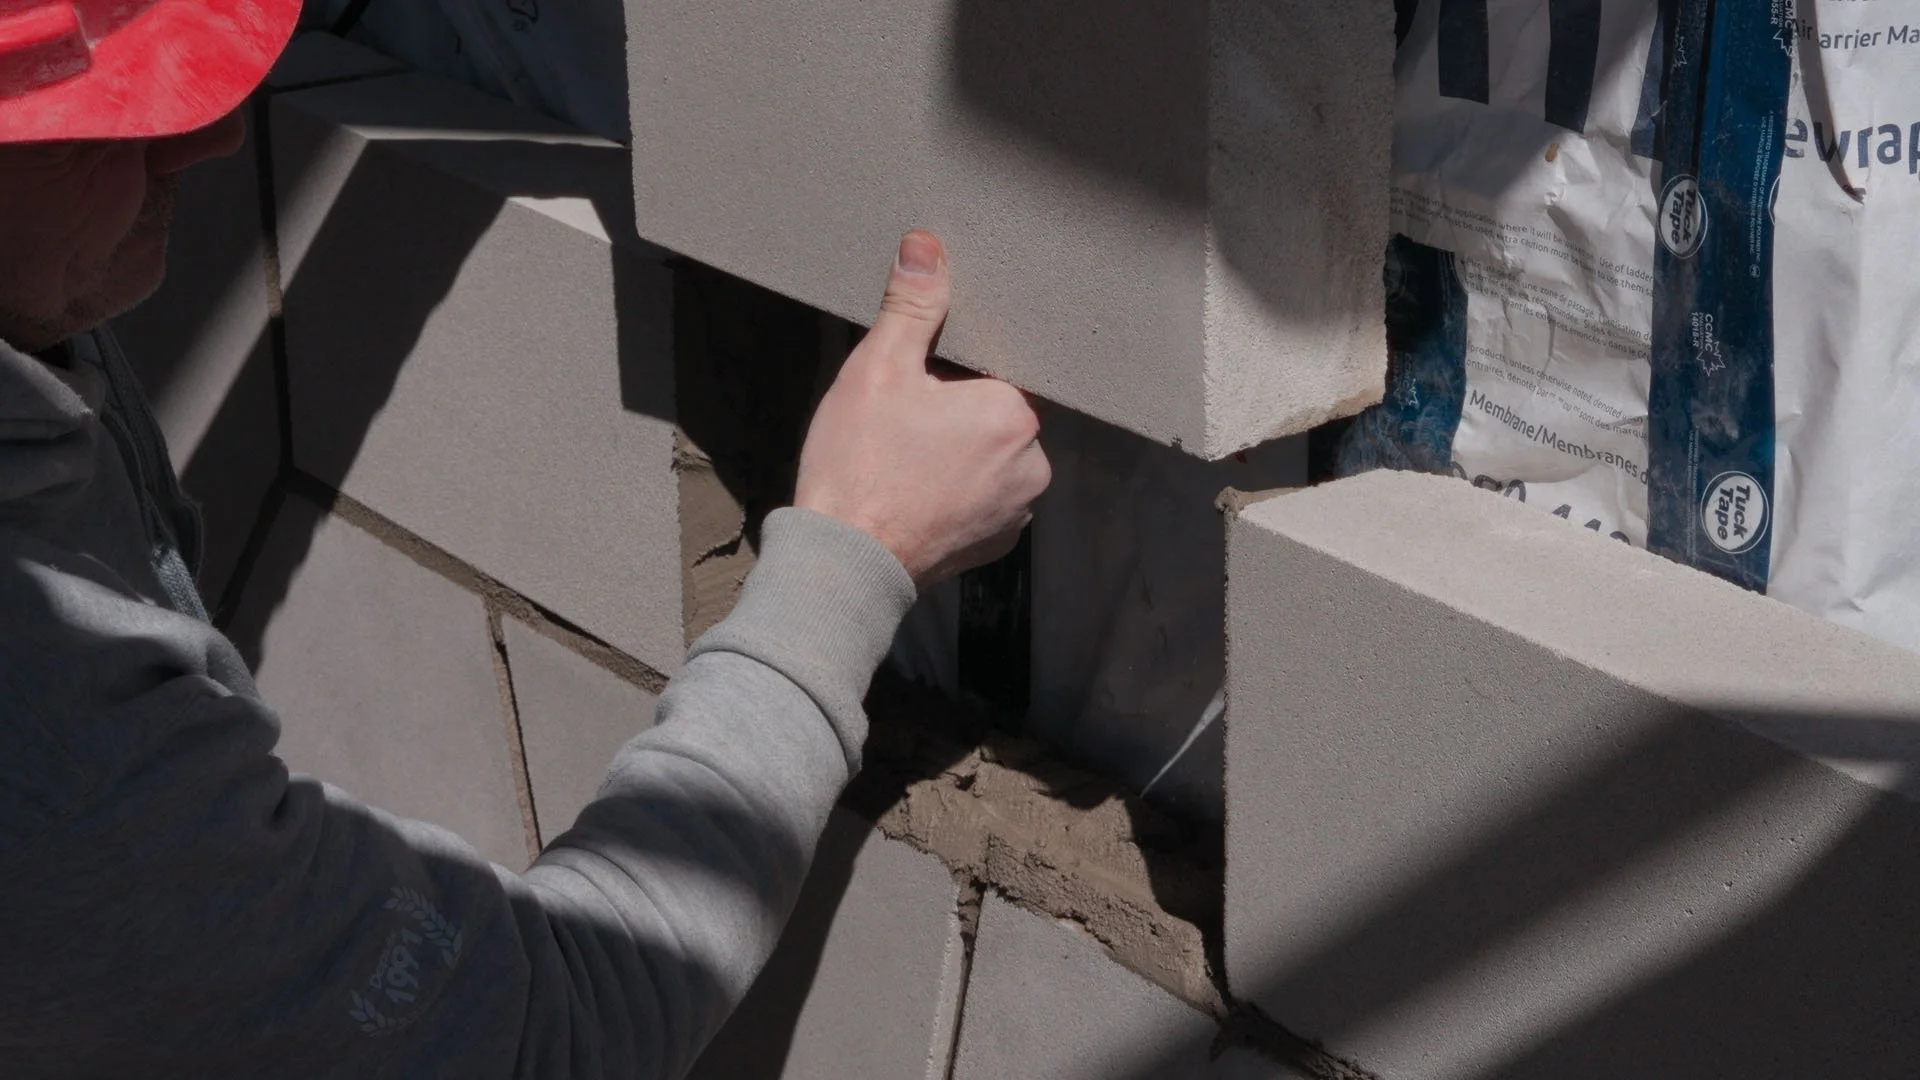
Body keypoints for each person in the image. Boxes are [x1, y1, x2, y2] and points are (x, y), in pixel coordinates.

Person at [0, 3, 1050, 1077]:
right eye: (99, 120)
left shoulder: (33, 316)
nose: (208, 135)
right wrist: (853, 554)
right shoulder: (38, 724)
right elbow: (548, 1036)